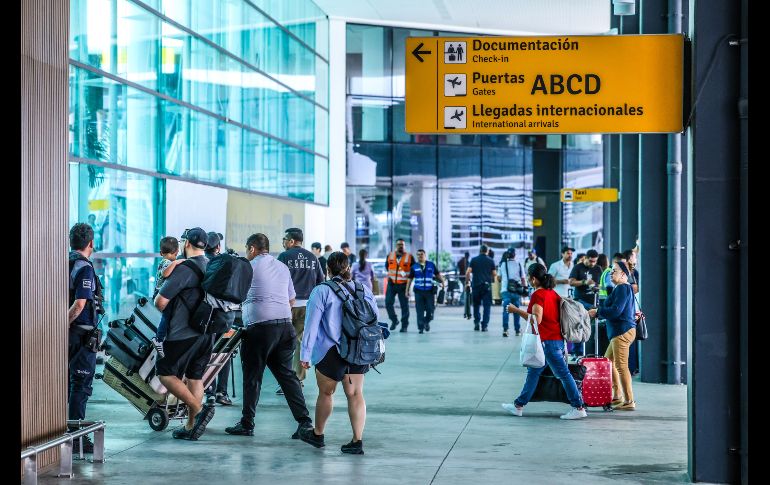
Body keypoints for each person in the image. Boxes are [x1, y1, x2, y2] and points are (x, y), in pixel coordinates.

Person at [225, 234, 314, 439]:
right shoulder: (282, 267)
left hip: (259, 330)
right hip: (285, 328)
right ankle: (305, 423)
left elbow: (234, 297)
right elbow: (291, 300)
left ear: (252, 248)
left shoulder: (248, 267)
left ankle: (247, 423)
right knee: (287, 377)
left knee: (252, 377)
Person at [298, 252, 378, 454]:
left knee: (326, 393)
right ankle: (357, 441)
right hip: (358, 349)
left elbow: (311, 325)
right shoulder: (363, 289)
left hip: (331, 351)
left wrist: (305, 355)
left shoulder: (321, 291)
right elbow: (374, 318)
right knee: (356, 394)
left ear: (328, 270)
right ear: (348, 268)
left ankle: (318, 435)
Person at [153, 227, 216, 441]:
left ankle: (198, 410)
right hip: (207, 333)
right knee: (194, 377)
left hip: (182, 333)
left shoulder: (185, 269)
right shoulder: (212, 266)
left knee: (165, 373)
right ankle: (190, 426)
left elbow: (160, 302)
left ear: (187, 243)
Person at [502, 264, 587, 420]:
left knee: (563, 374)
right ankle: (518, 405)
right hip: (555, 340)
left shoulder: (538, 295)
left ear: (534, 279)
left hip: (548, 342)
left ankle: (578, 407)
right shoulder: (552, 293)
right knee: (533, 372)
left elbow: (536, 319)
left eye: (529, 277)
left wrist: (516, 310)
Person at [68, 223, 105, 453]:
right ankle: (76, 439)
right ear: (91, 243)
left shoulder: (64, 263)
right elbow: (80, 304)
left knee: (67, 384)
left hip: (69, 335)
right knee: (80, 385)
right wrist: (62, 325)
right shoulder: (83, 267)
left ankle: (64, 433)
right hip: (80, 335)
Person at [277, 228, 325, 392]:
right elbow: (321, 281)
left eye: (284, 239)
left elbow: (276, 280)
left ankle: (285, 381)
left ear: (291, 241)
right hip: (307, 306)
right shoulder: (312, 257)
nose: (283, 242)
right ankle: (297, 378)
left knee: (283, 342)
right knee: (300, 342)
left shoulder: (284, 257)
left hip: (286, 306)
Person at [588, 261, 637, 411]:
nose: (610, 273)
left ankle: (629, 401)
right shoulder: (622, 288)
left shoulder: (622, 288)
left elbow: (616, 310)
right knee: (608, 362)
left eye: (614, 271)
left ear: (623, 274)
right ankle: (617, 395)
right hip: (620, 331)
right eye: (611, 270)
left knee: (621, 366)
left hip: (621, 331)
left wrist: (598, 312)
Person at [203, 231, 234, 406]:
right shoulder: (227, 263)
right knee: (224, 352)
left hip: (206, 316)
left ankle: (210, 391)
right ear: (218, 247)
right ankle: (222, 392)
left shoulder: (201, 263)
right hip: (226, 316)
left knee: (207, 352)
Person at [150, 236, 183, 358]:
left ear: (160, 252)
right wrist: (176, 262)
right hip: (161, 294)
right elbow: (165, 273)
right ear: (177, 252)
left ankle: (161, 338)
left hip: (160, 293)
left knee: (167, 316)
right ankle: (158, 339)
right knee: (166, 316)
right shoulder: (166, 262)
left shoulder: (164, 261)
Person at [568, 249, 603, 358]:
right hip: (580, 300)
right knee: (578, 325)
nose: (593, 263)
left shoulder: (598, 268)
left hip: (594, 300)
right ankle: (577, 351)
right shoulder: (578, 267)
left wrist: (597, 287)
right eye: (591, 261)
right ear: (585, 258)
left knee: (591, 326)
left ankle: (589, 350)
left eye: (595, 261)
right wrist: (584, 282)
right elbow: (571, 282)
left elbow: (601, 284)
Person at [410, 249, 444, 334]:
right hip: (418, 291)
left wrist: (443, 282)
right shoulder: (414, 266)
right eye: (418, 255)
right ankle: (421, 327)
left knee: (430, 310)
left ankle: (426, 322)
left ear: (425, 255)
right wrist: (407, 290)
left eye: (421, 254)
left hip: (429, 291)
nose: (420, 256)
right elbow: (409, 279)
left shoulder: (431, 265)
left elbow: (437, 274)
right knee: (419, 311)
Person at [466, 245, 497, 332]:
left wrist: (467, 282)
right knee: (487, 306)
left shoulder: (474, 260)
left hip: (476, 286)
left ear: (480, 251)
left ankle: (476, 323)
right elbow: (494, 274)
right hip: (486, 287)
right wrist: (490, 278)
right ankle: (484, 326)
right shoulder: (491, 260)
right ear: (487, 251)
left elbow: (468, 272)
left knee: (476, 305)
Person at [386, 239, 414, 332]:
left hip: (403, 285)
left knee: (404, 306)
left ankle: (404, 326)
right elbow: (387, 267)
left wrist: (408, 286)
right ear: (396, 245)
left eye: (402, 244)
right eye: (399, 244)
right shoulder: (390, 255)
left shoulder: (409, 257)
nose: (400, 246)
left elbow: (413, 272)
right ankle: (394, 320)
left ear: (404, 246)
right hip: (392, 284)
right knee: (388, 303)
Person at [498, 249, 526, 337]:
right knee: (516, 310)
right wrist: (525, 289)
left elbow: (499, 278)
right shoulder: (519, 264)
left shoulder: (503, 264)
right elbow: (523, 278)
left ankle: (505, 330)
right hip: (516, 291)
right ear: (515, 255)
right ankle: (517, 330)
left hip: (505, 290)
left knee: (506, 310)